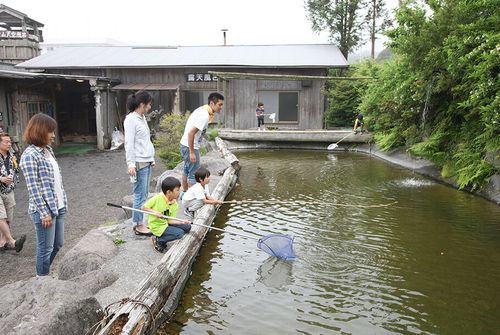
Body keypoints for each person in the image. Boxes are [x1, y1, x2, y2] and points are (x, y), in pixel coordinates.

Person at [20, 113, 67, 276]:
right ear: (39, 131)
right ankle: (42, 279)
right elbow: (33, 188)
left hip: (58, 206)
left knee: (58, 244)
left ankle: (43, 274)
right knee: (45, 249)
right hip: (44, 211)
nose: (53, 135)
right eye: (50, 131)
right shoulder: (29, 155)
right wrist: (44, 212)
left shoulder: (48, 151)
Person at [124, 90, 155, 236]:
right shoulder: (131, 119)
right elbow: (129, 144)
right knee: (139, 195)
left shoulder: (141, 118)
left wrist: (151, 158)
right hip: (138, 163)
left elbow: (145, 141)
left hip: (146, 160)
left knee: (145, 194)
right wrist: (130, 164)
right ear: (142, 104)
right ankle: (137, 225)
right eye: (149, 104)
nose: (150, 107)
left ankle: (141, 222)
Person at [180, 92, 224, 193]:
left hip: (184, 144)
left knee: (186, 170)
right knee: (193, 174)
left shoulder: (203, 110)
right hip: (189, 146)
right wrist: (191, 152)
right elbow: (191, 133)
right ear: (212, 103)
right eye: (220, 104)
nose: (221, 107)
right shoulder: (204, 115)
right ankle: (192, 199)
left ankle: (184, 193)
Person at [142, 176, 191, 253]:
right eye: (177, 190)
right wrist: (155, 212)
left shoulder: (174, 203)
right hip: (157, 225)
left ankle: (167, 234)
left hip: (166, 223)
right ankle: (158, 240)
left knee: (187, 227)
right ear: (169, 192)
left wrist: (182, 222)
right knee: (180, 233)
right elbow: (144, 208)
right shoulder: (158, 198)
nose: (179, 192)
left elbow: (170, 220)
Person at [0, 132, 25, 252]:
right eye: (6, 142)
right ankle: (12, 241)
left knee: (8, 218)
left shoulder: (12, 156)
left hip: (9, 190)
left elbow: (16, 171)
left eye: (10, 141)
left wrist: (13, 180)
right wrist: (1, 179)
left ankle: (2, 242)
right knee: (1, 216)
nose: (9, 144)